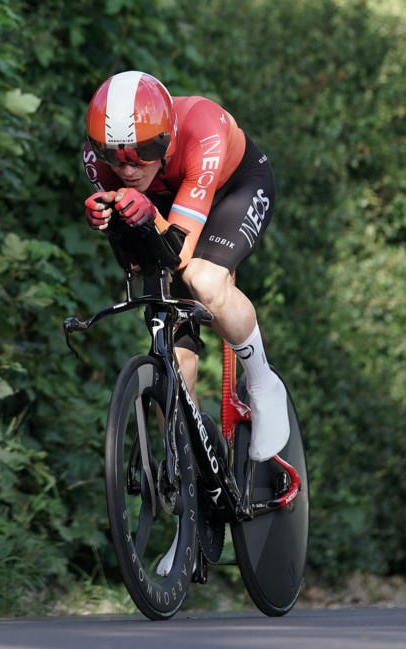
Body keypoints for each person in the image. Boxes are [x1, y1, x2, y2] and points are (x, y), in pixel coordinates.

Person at [81, 71, 289, 574]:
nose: (128, 168)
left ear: (167, 138)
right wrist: (114, 222)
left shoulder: (203, 128)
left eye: (144, 152)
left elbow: (177, 252)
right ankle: (192, 510)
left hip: (230, 190)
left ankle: (261, 381)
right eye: (116, 157)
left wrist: (146, 214)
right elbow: (140, 267)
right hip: (168, 209)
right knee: (171, 357)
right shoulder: (100, 159)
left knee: (206, 283)